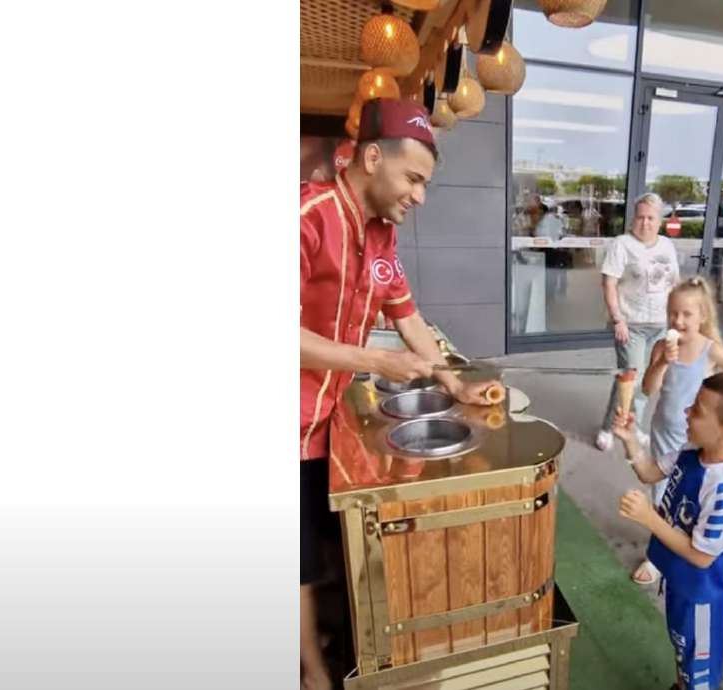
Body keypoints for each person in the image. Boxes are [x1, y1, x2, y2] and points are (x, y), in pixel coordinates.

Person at [299, 98, 499, 690]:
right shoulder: (306, 217)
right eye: (413, 179)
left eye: (424, 183)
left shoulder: (381, 235)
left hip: (324, 418)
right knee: (298, 560)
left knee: (322, 545)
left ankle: (327, 639)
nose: (420, 196)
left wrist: (453, 381)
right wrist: (376, 360)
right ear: (371, 158)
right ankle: (313, 674)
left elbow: (407, 317)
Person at [612, 373, 723, 690]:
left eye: (698, 409)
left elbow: (702, 557)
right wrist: (629, 439)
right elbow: (648, 472)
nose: (686, 411)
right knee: (681, 646)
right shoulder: (691, 452)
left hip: (700, 594)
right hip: (679, 579)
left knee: (697, 663)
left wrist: (649, 519)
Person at [630, 276, 723, 586]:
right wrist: (661, 363)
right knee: (660, 494)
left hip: (693, 439)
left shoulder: (710, 350)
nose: (678, 320)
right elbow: (648, 388)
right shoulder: (662, 346)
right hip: (663, 432)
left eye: (687, 314)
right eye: (673, 313)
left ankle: (684, 543)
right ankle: (656, 557)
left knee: (685, 496)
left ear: (703, 316)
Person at [596, 192, 680, 451]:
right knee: (629, 377)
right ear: (634, 218)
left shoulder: (667, 246)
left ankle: (634, 426)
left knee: (647, 380)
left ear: (660, 221)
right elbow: (609, 283)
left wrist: (676, 320)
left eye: (651, 218)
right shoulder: (622, 244)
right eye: (641, 217)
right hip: (631, 324)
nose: (645, 222)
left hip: (660, 325)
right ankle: (609, 427)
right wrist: (617, 319)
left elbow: (674, 284)